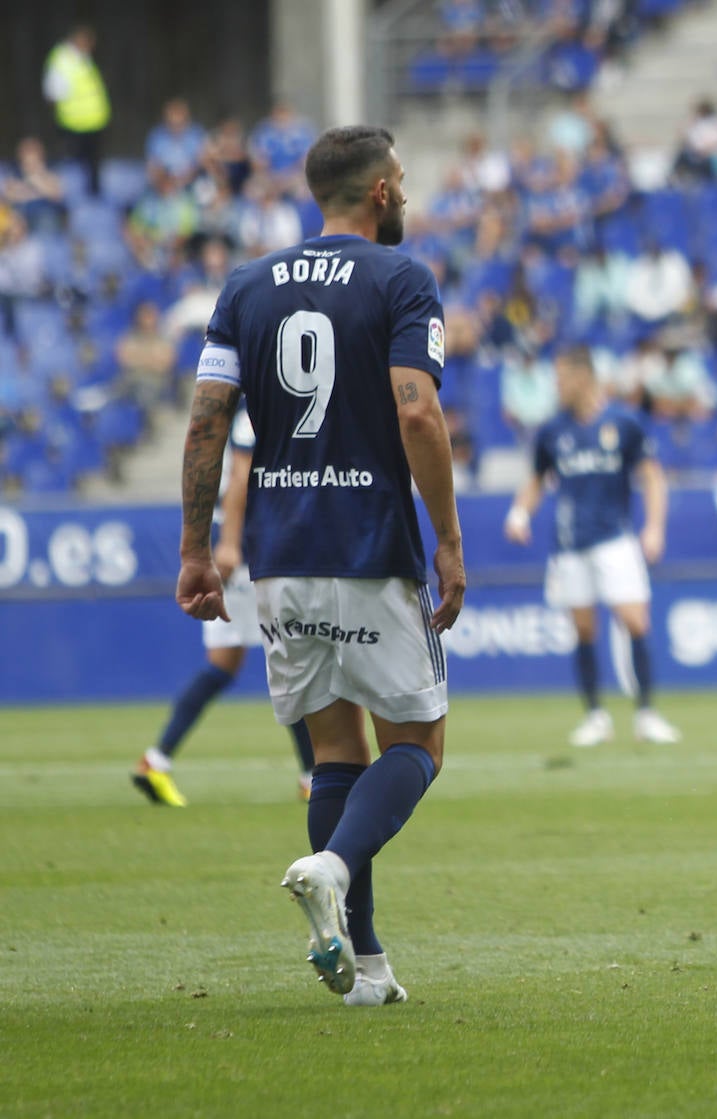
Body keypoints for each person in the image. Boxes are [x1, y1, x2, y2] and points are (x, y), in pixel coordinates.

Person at [176, 125, 465, 1007]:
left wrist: (194, 546)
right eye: (403, 180)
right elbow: (416, 413)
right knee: (418, 744)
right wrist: (448, 537)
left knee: (334, 753)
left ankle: (366, 969)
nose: (407, 192)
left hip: (283, 553)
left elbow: (206, 420)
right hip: (370, 545)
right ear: (379, 192)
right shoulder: (402, 280)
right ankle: (334, 864)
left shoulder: (244, 286)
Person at [133, 405, 314, 807]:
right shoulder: (253, 412)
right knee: (292, 656)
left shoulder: (240, 410)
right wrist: (231, 544)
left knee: (226, 663)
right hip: (251, 551)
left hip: (239, 544)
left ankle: (156, 759)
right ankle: (311, 777)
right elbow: (241, 477)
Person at [503, 344, 680, 747]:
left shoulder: (623, 423)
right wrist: (519, 513)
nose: (557, 385)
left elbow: (652, 476)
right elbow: (536, 479)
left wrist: (654, 528)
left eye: (561, 377)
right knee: (583, 630)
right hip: (569, 545)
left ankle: (647, 714)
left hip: (615, 540)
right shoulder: (553, 431)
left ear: (583, 377)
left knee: (635, 620)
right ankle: (596, 716)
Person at [42, 25, 110, 197]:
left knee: (92, 171)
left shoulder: (82, 58)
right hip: (73, 125)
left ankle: (92, 199)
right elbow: (53, 94)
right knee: (73, 170)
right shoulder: (63, 60)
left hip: (93, 123)